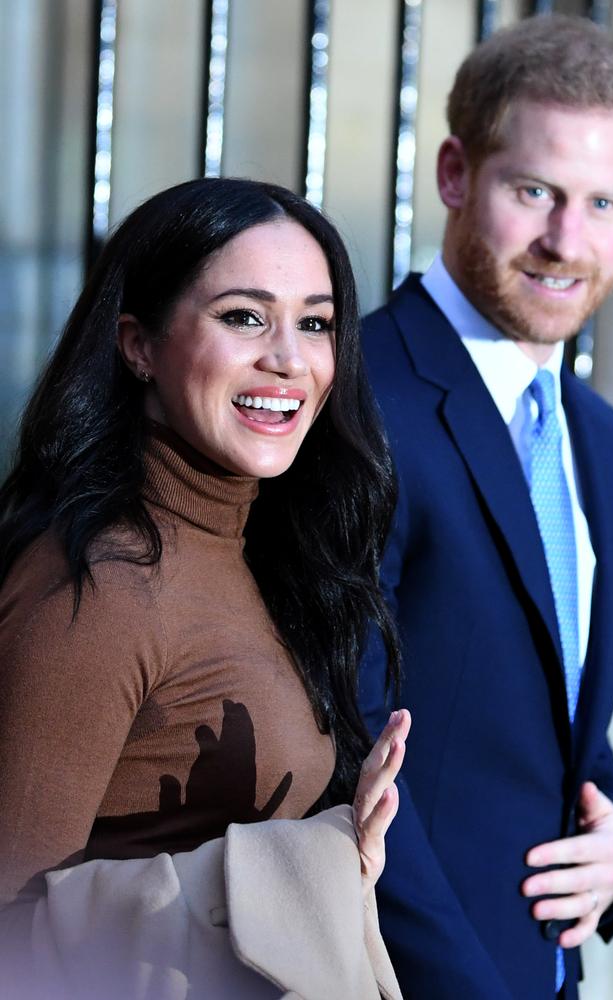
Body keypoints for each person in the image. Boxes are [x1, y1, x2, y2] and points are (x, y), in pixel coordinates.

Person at [0, 177, 410, 999]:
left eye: (316, 323)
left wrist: (332, 856)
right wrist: (284, 869)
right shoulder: (102, 589)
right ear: (138, 344)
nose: (289, 358)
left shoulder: (258, 547)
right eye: (243, 317)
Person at [359, 14, 613, 1000]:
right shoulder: (355, 397)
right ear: (452, 173)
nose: (566, 241)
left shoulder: (595, 433)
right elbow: (332, 750)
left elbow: (548, 701)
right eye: (532, 191)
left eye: (602, 201)